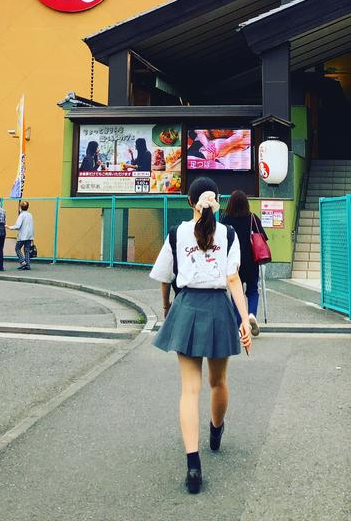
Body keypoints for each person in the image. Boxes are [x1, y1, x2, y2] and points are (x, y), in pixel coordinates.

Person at [149, 176, 252, 495]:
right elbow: (233, 279)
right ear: (216, 202)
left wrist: (167, 306)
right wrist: (244, 320)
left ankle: (193, 465)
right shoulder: (229, 234)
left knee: (189, 390)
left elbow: (165, 276)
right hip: (220, 308)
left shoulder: (176, 233)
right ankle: (216, 430)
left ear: (190, 203)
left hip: (188, 307)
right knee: (218, 383)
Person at [221, 190, 267, 336]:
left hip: (233, 263)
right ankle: (251, 314)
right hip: (251, 261)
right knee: (253, 290)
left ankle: (240, 324)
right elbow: (263, 238)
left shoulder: (225, 219)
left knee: (236, 292)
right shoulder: (253, 218)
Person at [9, 199, 35, 270]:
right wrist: (32, 237)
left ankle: (23, 262)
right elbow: (32, 226)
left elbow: (17, 226)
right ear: (28, 207)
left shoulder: (21, 215)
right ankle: (28, 265)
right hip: (29, 236)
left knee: (17, 248)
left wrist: (9, 227)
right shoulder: (30, 215)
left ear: (21, 207)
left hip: (22, 236)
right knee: (26, 250)